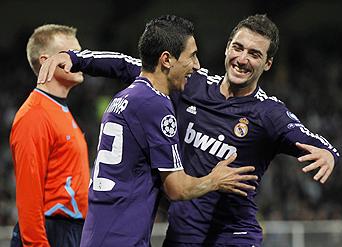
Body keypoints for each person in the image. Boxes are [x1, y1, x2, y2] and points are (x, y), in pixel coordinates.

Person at [38, 14, 340, 247]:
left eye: (254, 54)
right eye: (238, 47)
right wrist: (77, 58)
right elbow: (128, 65)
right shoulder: (192, 84)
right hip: (183, 233)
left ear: (268, 63)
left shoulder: (268, 113)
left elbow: (309, 139)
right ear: (227, 48)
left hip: (233, 234)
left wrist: (329, 154)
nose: (242, 59)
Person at [73, 15, 255, 247]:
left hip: (98, 233)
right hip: (122, 238)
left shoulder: (125, 96)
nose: (197, 65)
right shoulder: (155, 104)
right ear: (167, 60)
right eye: (192, 56)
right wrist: (214, 180)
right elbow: (176, 188)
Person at [9, 24, 90, 247]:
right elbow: (28, 197)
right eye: (72, 55)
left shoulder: (59, 110)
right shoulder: (34, 116)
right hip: (52, 232)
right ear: (46, 61)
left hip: (69, 230)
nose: (81, 60)